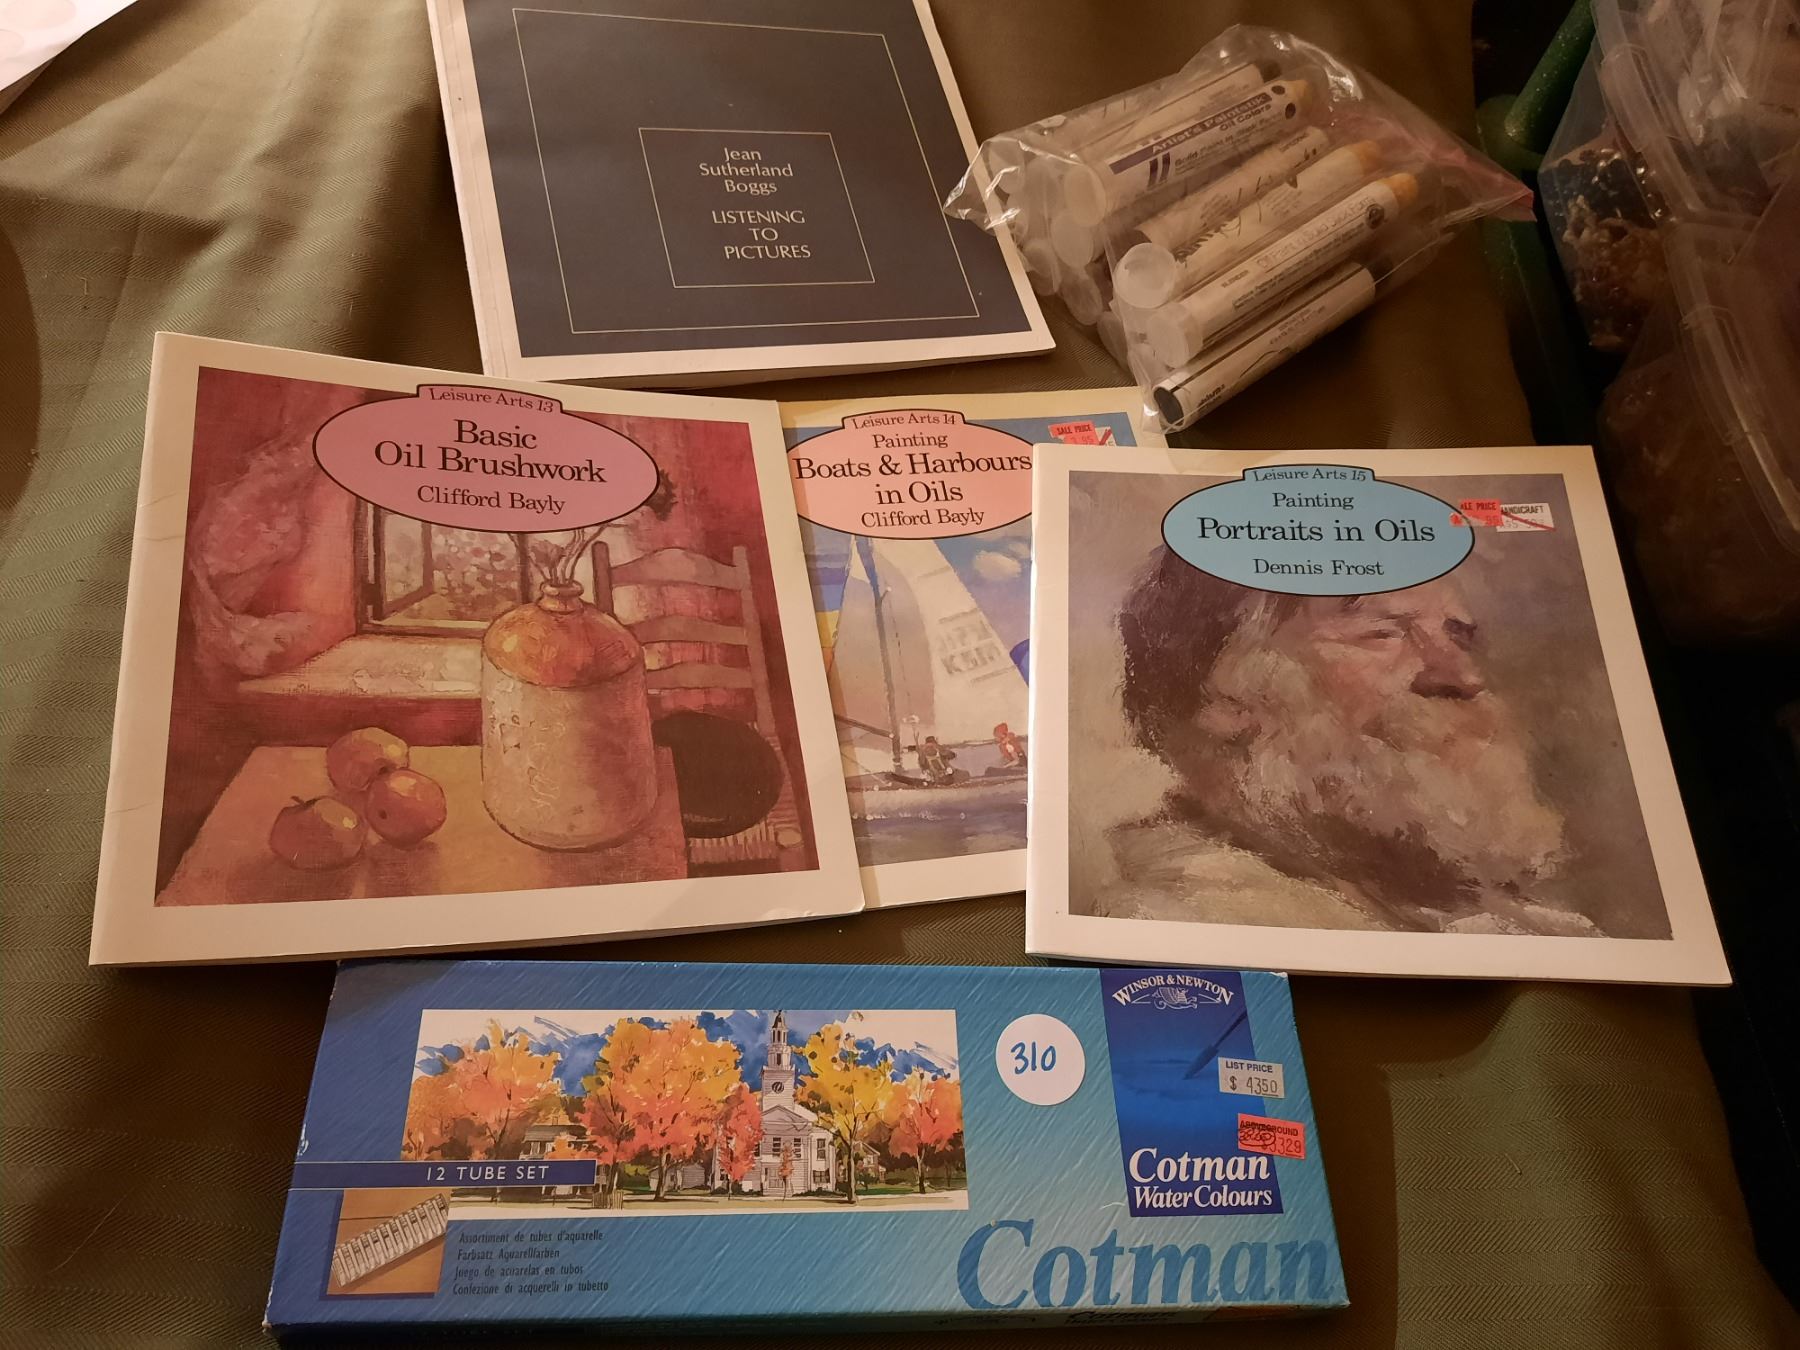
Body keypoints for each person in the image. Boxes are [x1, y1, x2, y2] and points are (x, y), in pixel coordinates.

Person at [1098, 548, 1600, 936]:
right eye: (1383, 634)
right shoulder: (1188, 917)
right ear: (1225, 701)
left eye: (1459, 637)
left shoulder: (1486, 916)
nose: (1464, 676)